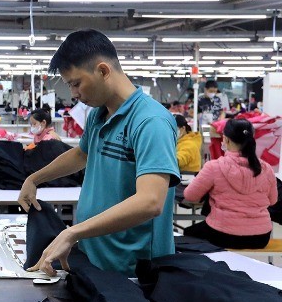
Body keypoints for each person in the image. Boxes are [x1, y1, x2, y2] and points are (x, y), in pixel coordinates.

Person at [18, 29, 180, 276]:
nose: (73, 94)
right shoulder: (99, 114)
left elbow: (151, 201)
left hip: (134, 269)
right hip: (96, 256)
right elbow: (81, 155)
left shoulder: (150, 121)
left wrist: (73, 232)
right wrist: (34, 179)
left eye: (76, 83)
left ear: (103, 71)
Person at [183, 119, 277, 249]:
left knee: (188, 233)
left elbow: (190, 196)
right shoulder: (266, 169)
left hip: (222, 234)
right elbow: (273, 201)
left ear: (226, 140)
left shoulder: (214, 167)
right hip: (260, 237)